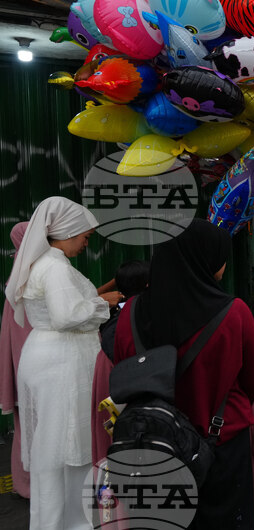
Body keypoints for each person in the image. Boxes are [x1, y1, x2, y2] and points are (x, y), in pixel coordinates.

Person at [115, 219, 254, 528]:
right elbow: (251, 382)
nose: (223, 264)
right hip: (221, 442)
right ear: (203, 257)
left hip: (155, 443)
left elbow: (125, 370)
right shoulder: (234, 313)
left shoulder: (130, 313)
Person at [4, 198, 120, 529]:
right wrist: (103, 302)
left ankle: (55, 522)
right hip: (61, 365)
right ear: (67, 231)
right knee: (68, 449)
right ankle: (71, 524)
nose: (87, 241)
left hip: (52, 360)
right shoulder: (53, 267)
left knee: (56, 450)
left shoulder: (47, 264)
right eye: (85, 234)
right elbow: (66, 314)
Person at [93, 260, 149, 466]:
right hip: (123, 396)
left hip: (108, 391)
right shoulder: (139, 318)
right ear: (148, 286)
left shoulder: (110, 314)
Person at [0, 222, 30, 498]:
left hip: (25, 364)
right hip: (28, 365)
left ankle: (25, 485)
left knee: (27, 428)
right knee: (31, 428)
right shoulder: (24, 278)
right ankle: (28, 485)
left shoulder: (20, 273)